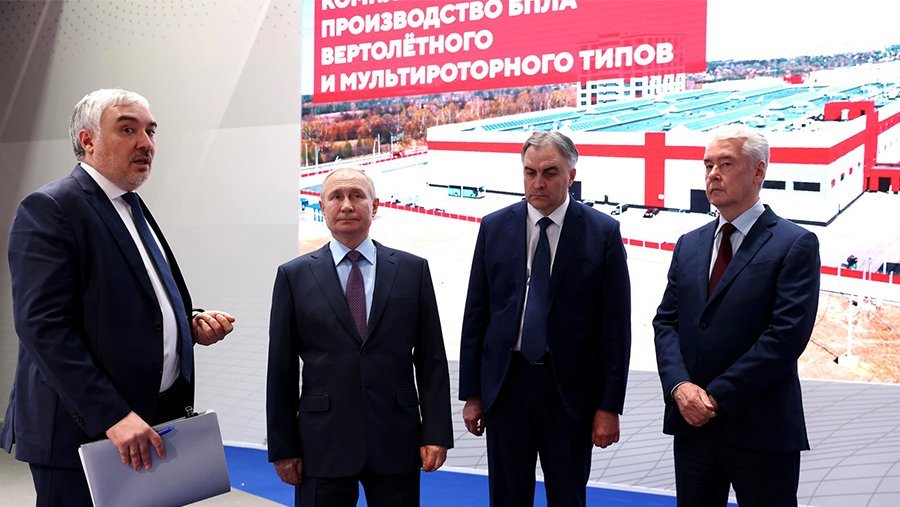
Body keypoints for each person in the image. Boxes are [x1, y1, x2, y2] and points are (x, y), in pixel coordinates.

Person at [0, 88, 236, 506]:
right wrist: (112, 415)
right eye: (128, 130)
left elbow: (128, 302)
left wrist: (187, 322)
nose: (146, 143)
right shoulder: (51, 208)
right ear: (88, 140)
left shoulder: (130, 206)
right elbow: (43, 328)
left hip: (147, 425)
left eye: (150, 131)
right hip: (86, 436)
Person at [458, 131, 632, 506]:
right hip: (506, 387)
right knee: (507, 498)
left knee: (568, 497)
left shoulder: (602, 233)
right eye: (530, 172)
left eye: (550, 172)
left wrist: (609, 406)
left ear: (571, 175)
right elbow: (477, 316)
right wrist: (472, 394)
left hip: (569, 393)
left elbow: (616, 329)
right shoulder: (493, 227)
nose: (538, 182)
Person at [653, 125, 820, 506]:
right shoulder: (689, 244)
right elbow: (667, 323)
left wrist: (715, 398)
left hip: (760, 429)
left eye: (726, 164)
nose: (713, 174)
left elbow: (785, 336)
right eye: (708, 165)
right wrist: (679, 387)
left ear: (759, 171)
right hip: (692, 426)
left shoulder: (794, 243)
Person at [266, 167, 453, 507]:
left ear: (375, 205)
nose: (347, 205)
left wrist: (436, 432)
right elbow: (281, 368)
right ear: (322, 207)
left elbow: (432, 360)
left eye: (357, 195)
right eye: (336, 197)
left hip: (396, 438)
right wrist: (283, 447)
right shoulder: (293, 276)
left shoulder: (412, 271)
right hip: (321, 442)